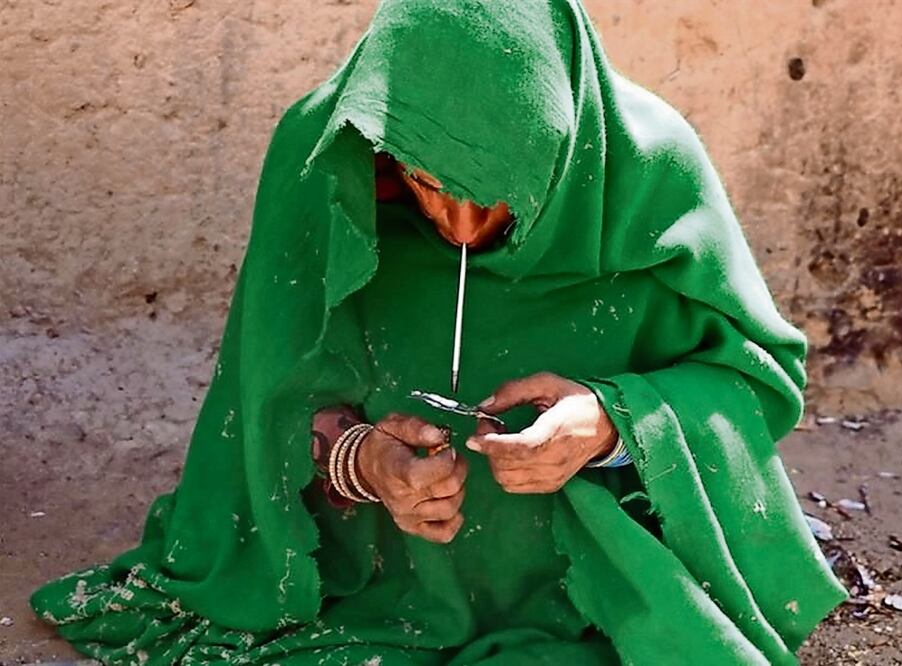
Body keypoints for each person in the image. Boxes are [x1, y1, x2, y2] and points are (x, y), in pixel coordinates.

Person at [31, 1, 846, 664]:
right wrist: (360, 462)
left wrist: (609, 425)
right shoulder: (329, 160)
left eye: (497, 196)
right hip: (381, 581)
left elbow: (755, 385)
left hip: (599, 588)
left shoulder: (645, 170)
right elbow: (266, 407)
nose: (457, 227)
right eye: (425, 182)